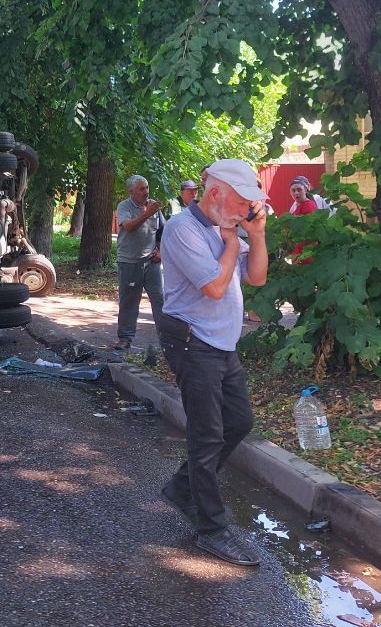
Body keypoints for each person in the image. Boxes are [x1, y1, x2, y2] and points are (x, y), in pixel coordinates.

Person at [157, 159, 269, 567]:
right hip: (193, 344)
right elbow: (215, 287)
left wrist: (254, 236)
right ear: (216, 193)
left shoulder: (231, 229)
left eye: (250, 206)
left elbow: (255, 278)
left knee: (239, 423)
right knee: (207, 437)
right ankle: (212, 531)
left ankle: (183, 488)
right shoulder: (181, 229)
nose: (246, 211)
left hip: (223, 345)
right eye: (242, 203)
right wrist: (230, 242)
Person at [114, 176, 166, 350]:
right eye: (141, 189)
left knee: (160, 299)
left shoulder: (154, 207)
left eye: (146, 188)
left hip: (151, 262)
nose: (146, 192)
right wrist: (147, 214)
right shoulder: (124, 206)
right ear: (131, 192)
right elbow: (128, 226)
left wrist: (161, 252)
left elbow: (163, 232)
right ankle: (125, 338)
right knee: (129, 301)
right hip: (129, 262)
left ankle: (167, 339)